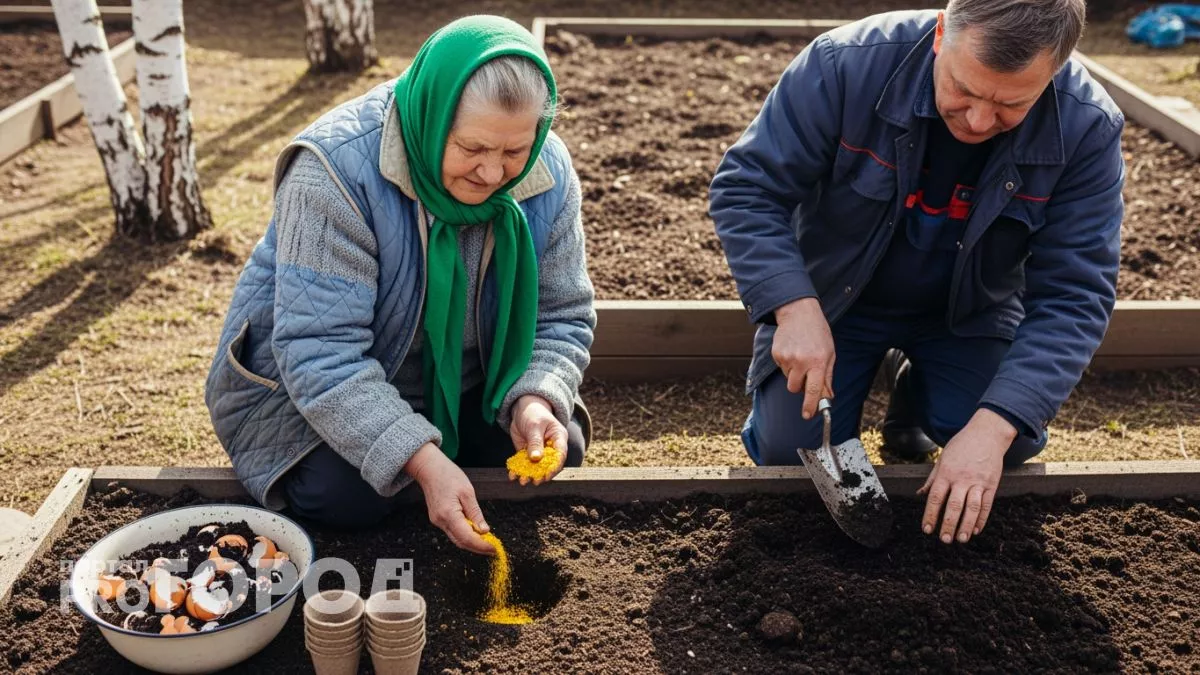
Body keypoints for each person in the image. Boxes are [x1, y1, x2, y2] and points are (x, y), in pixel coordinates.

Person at [710, 0, 1123, 544]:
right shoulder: (843, 66)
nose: (978, 121)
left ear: (1054, 71)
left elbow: (1074, 293)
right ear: (942, 33)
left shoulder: (1086, 126)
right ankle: (876, 367)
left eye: (1009, 106)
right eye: (964, 89)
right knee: (789, 452)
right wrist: (793, 306)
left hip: (968, 312)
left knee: (1014, 440)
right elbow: (747, 189)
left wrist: (992, 428)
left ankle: (917, 383)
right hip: (836, 303)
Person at [205, 15, 595, 556]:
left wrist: (536, 396)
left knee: (557, 447)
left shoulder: (546, 167)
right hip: (320, 389)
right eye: (472, 148)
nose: (491, 174)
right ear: (434, 117)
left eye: (512, 152)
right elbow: (320, 352)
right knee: (347, 497)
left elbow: (562, 312)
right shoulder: (334, 171)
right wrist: (419, 456)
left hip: (465, 383)